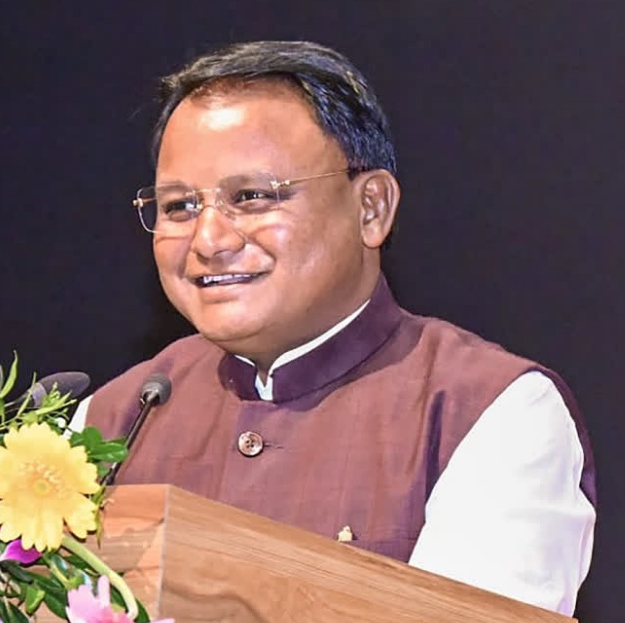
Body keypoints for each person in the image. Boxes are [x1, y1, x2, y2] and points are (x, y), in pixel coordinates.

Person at [72, 40, 595, 615]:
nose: (209, 239)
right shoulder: (112, 419)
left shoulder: (487, 410)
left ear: (371, 208)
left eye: (251, 197)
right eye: (179, 206)